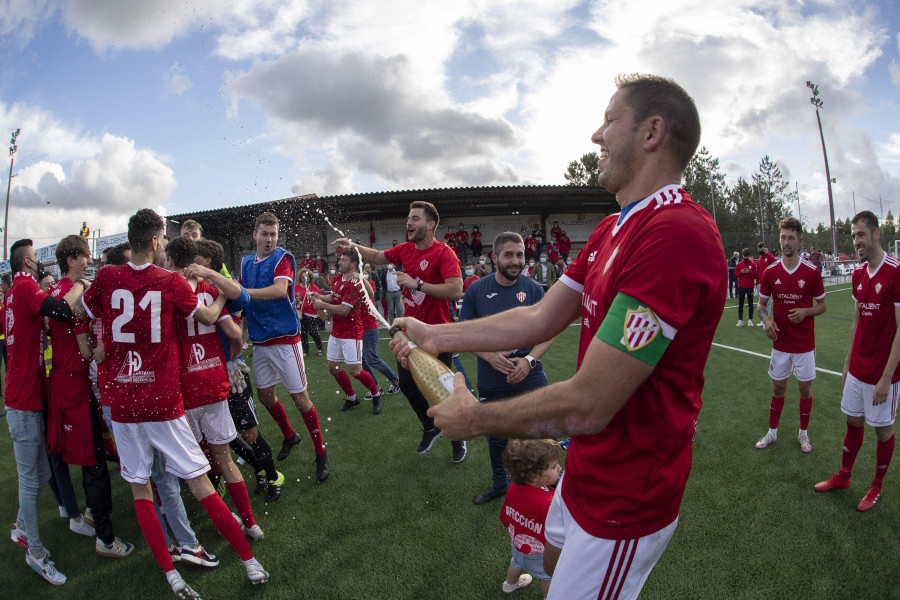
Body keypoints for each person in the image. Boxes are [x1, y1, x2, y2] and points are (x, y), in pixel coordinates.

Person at [392, 74, 725, 599]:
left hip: (627, 494)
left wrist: (474, 418)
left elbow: (590, 403)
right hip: (587, 468)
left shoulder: (676, 234)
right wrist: (437, 334)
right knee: (551, 568)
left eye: (611, 119)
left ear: (652, 131)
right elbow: (539, 318)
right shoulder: (613, 228)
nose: (597, 134)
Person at [82, 209, 269, 597]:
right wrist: (217, 295)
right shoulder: (168, 281)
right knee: (200, 482)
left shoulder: (105, 277)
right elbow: (209, 315)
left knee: (141, 489)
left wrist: (98, 347)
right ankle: (249, 562)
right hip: (163, 401)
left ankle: (171, 575)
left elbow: (84, 313)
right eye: (162, 239)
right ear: (154, 241)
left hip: (121, 402)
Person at [333, 201, 466, 463]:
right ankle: (430, 428)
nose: (408, 223)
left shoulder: (444, 252)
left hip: (438, 334)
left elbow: (455, 290)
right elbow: (376, 257)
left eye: (415, 218)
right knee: (406, 384)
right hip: (409, 334)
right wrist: (352, 246)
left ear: (430, 224)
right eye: (408, 218)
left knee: (442, 392)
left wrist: (418, 284)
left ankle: (457, 439)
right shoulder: (405, 249)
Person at [46, 235, 134, 559]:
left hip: (66, 384)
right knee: (95, 463)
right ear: (71, 260)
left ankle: (91, 513)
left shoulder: (53, 292)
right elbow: (84, 346)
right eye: (84, 256)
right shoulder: (73, 291)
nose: (88, 261)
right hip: (75, 385)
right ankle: (106, 538)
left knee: (91, 455)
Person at [6, 238, 86, 585]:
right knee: (29, 480)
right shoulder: (24, 286)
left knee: (40, 472)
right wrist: (80, 284)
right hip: (22, 400)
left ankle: (22, 526)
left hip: (27, 396)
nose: (41, 263)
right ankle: (35, 551)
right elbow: (61, 310)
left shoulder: (11, 294)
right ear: (26, 262)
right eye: (36, 258)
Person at [814, 210, 899, 512]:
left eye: (861, 234)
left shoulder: (895, 270)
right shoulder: (859, 274)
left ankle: (876, 486)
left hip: (883, 372)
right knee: (852, 420)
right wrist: (847, 362)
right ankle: (845, 476)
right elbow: (856, 322)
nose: (857, 241)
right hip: (858, 369)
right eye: (853, 236)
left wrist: (887, 377)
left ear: (876, 234)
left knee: (882, 430)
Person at [462, 232, 552, 505]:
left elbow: (548, 333)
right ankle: (500, 484)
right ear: (494, 258)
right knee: (497, 437)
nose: (516, 261)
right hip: (492, 379)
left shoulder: (535, 289)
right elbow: (465, 334)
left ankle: (547, 483)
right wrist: (489, 357)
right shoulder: (477, 289)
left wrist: (529, 361)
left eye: (520, 255)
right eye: (509, 255)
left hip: (530, 376)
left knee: (542, 432)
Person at [192, 240, 285, 503]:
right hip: (205, 374)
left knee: (248, 433)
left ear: (208, 261)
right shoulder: (187, 287)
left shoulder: (219, 285)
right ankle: (257, 471)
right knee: (223, 436)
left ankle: (273, 474)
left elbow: (240, 302)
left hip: (230, 372)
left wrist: (234, 335)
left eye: (195, 256)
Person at [241, 212, 329, 481]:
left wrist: (240, 292)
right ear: (254, 234)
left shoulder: (283, 258)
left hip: (285, 340)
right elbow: (244, 304)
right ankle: (290, 435)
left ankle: (320, 453)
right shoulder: (246, 262)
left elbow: (279, 291)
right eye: (264, 234)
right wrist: (241, 334)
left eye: (273, 235)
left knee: (300, 400)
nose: (269, 240)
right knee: (266, 397)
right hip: (260, 342)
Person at [754, 217, 826, 453]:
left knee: (805, 390)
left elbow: (822, 305)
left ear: (799, 241)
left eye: (791, 238)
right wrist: (766, 321)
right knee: (778, 389)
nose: (786, 242)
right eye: (783, 237)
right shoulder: (770, 272)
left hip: (805, 344)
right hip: (781, 343)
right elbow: (761, 305)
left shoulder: (812, 272)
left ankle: (803, 434)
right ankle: (772, 433)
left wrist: (806, 311)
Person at [311, 249, 382, 414]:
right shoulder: (338, 278)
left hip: (351, 332)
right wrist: (321, 296)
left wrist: (323, 306)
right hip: (337, 331)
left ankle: (376, 394)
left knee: (355, 371)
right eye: (340, 259)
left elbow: (344, 310)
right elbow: (333, 298)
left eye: (343, 260)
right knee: (333, 367)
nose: (339, 263)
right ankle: (351, 397)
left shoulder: (355, 283)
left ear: (353, 264)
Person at [498, 439, 562, 598]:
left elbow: (506, 515)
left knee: (516, 563)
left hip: (518, 543)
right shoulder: (549, 502)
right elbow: (559, 532)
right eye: (554, 467)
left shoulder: (513, 487)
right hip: (540, 552)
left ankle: (510, 585)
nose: (560, 468)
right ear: (534, 476)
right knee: (548, 577)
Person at [295, 267, 324, 357]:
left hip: (311, 312)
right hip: (300, 312)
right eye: (303, 276)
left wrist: (316, 300)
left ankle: (319, 348)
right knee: (303, 333)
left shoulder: (313, 287)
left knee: (313, 331)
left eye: (306, 276)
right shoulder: (296, 287)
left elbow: (321, 297)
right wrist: (296, 300)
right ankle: (306, 350)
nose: (304, 278)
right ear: (300, 277)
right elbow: (291, 299)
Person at [736, 248, 757, 327]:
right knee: (740, 304)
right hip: (741, 286)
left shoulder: (753, 264)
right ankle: (740, 320)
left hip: (750, 287)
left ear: (749, 255)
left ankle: (750, 320)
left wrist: (749, 272)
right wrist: (741, 272)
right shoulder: (739, 264)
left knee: (750, 304)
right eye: (744, 256)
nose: (745, 257)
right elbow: (736, 275)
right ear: (742, 255)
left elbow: (755, 276)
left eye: (747, 256)